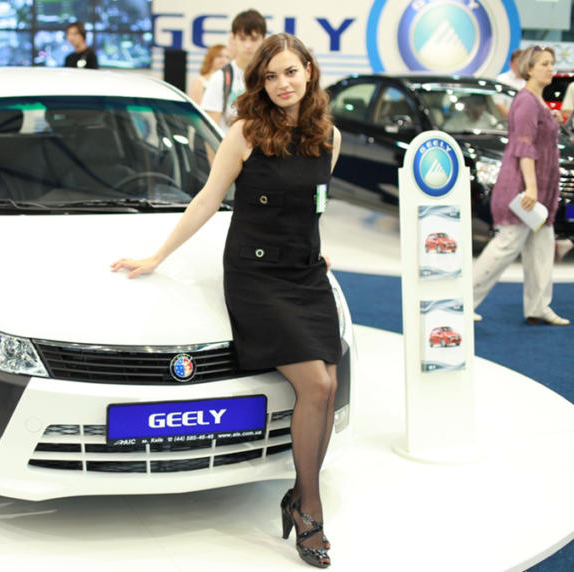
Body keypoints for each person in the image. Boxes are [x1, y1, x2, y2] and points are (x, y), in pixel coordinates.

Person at [111, 33, 341, 568]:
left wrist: (317, 250)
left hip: (306, 273)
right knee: (317, 384)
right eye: (271, 76)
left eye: (290, 72)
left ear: (309, 70)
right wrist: (156, 256)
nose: (282, 84)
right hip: (257, 276)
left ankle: (298, 496)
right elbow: (206, 200)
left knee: (330, 388)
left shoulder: (330, 136)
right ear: (260, 83)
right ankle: (309, 508)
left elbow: (313, 204)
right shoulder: (246, 133)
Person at [473, 46, 569, 326]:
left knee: (542, 247)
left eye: (552, 63)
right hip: (524, 188)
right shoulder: (526, 101)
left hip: (540, 191)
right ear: (529, 68)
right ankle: (463, 301)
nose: (551, 69)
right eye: (544, 64)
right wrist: (531, 188)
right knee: (506, 245)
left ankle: (539, 306)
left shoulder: (537, 101)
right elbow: (523, 148)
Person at [200, 10, 266, 134]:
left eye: (254, 39)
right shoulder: (220, 78)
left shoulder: (270, 76)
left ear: (264, 38)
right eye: (242, 38)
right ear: (233, 38)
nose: (248, 45)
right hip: (228, 144)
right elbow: (211, 132)